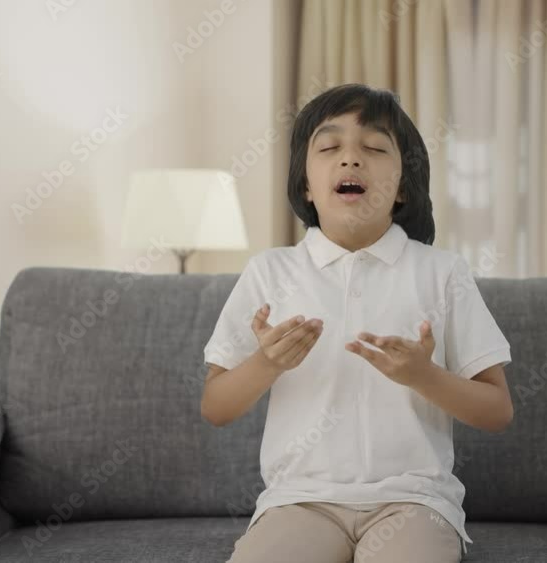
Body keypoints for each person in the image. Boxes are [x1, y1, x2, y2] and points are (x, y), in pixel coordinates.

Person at [201, 83, 514, 563]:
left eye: (374, 148)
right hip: (299, 501)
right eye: (329, 147)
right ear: (306, 185)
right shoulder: (270, 272)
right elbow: (216, 407)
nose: (350, 158)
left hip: (414, 502)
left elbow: (497, 411)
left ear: (403, 185)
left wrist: (423, 376)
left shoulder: (442, 273)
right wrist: (267, 363)